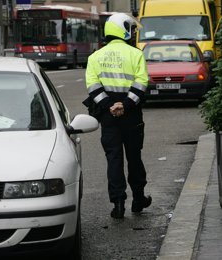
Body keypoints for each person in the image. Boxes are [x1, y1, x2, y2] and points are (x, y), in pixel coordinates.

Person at [84, 13, 152, 219]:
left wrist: (110, 106)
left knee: (114, 160)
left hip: (108, 116)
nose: (132, 33)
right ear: (122, 29)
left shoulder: (95, 57)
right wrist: (126, 104)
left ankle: (118, 203)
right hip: (131, 115)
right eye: (130, 29)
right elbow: (141, 83)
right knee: (134, 158)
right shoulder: (135, 54)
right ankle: (138, 199)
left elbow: (93, 87)